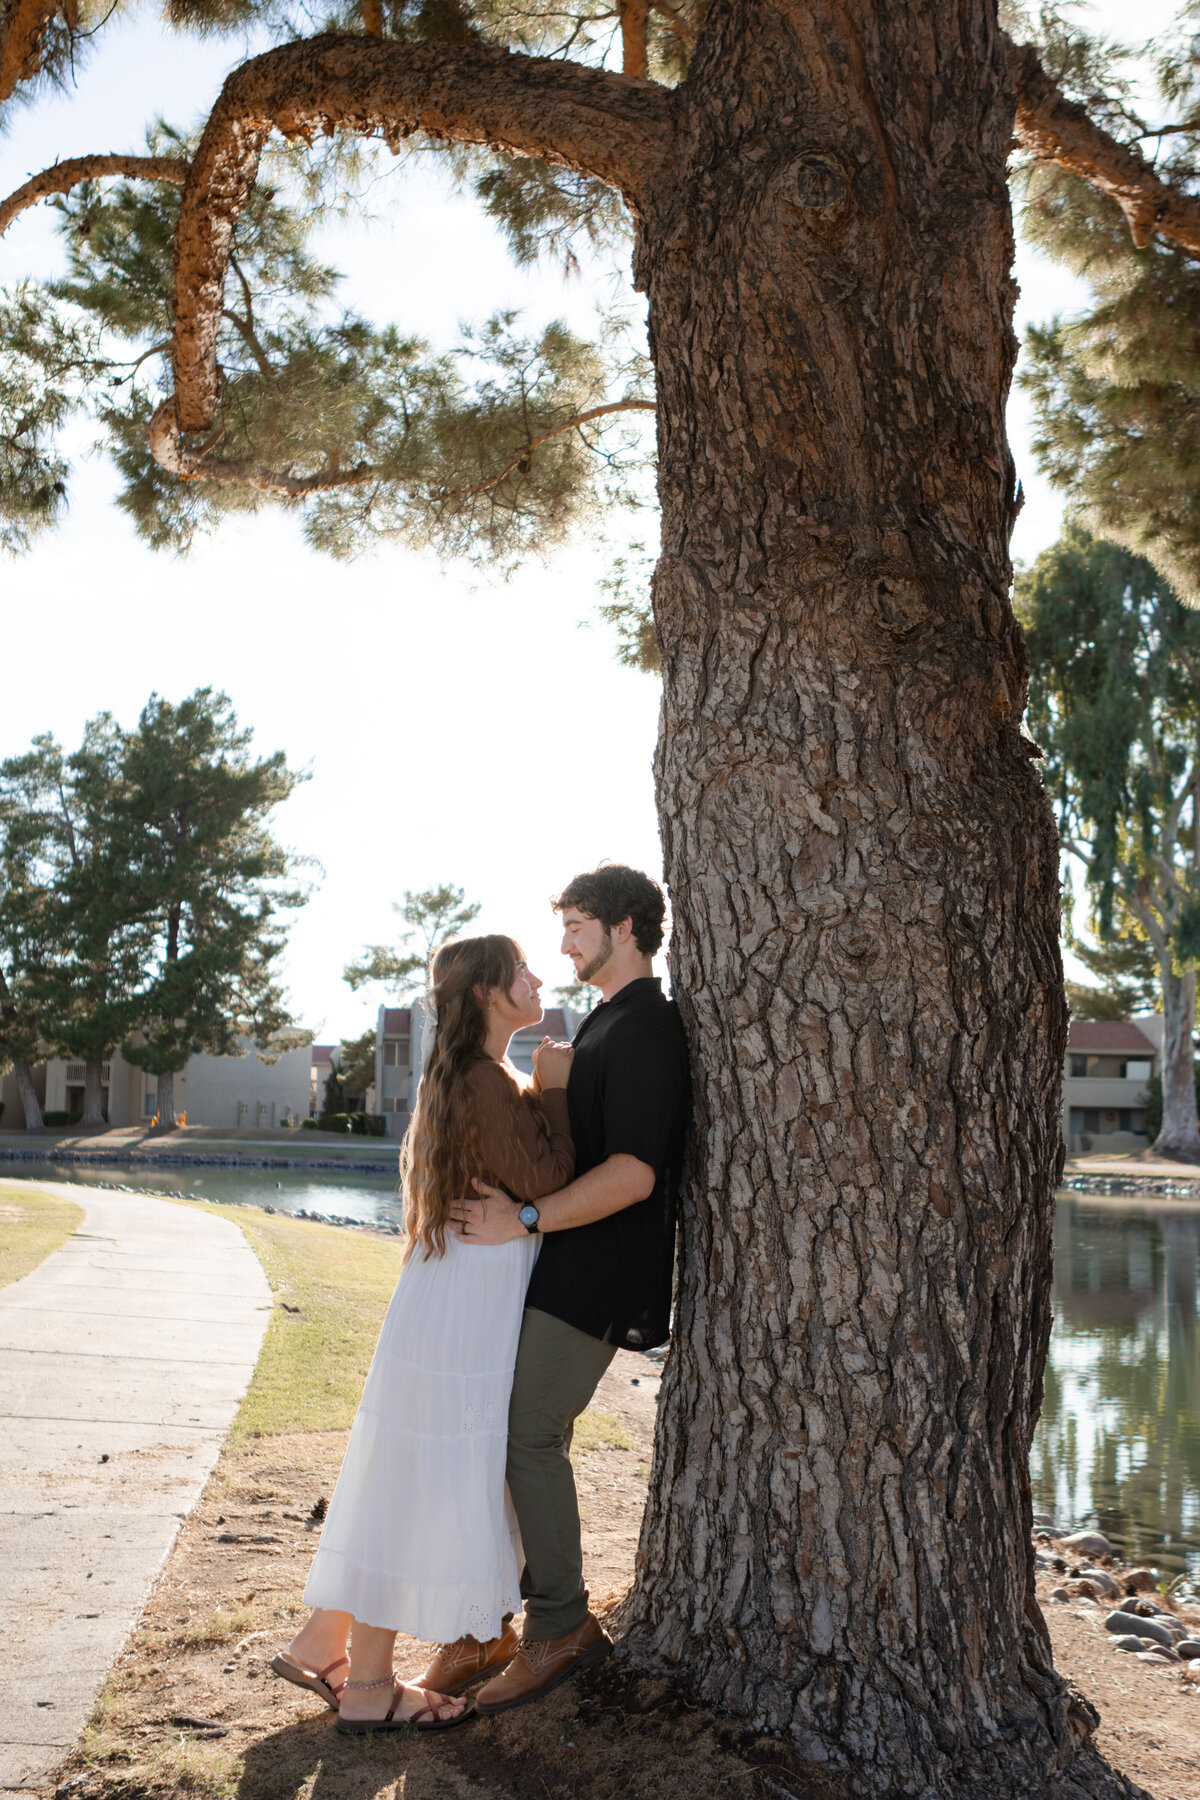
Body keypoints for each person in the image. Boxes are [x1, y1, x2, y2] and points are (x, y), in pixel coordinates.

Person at [269, 934, 576, 1733]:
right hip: (464, 1307)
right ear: (487, 993)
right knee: (423, 1477)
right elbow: (549, 1180)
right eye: (523, 972)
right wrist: (554, 1091)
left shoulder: (471, 1076)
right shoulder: (484, 1081)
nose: (540, 978)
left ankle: (327, 1645)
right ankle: (367, 1687)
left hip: (451, 1297)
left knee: (409, 1470)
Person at [443, 864, 690, 1715]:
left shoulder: (650, 1028)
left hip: (601, 1270)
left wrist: (526, 1218)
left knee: (526, 1435)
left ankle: (559, 1629)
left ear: (625, 926)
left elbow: (633, 1174)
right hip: (562, 1264)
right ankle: (486, 1621)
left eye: (578, 924)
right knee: (499, 1430)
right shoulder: (604, 1023)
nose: (564, 942)